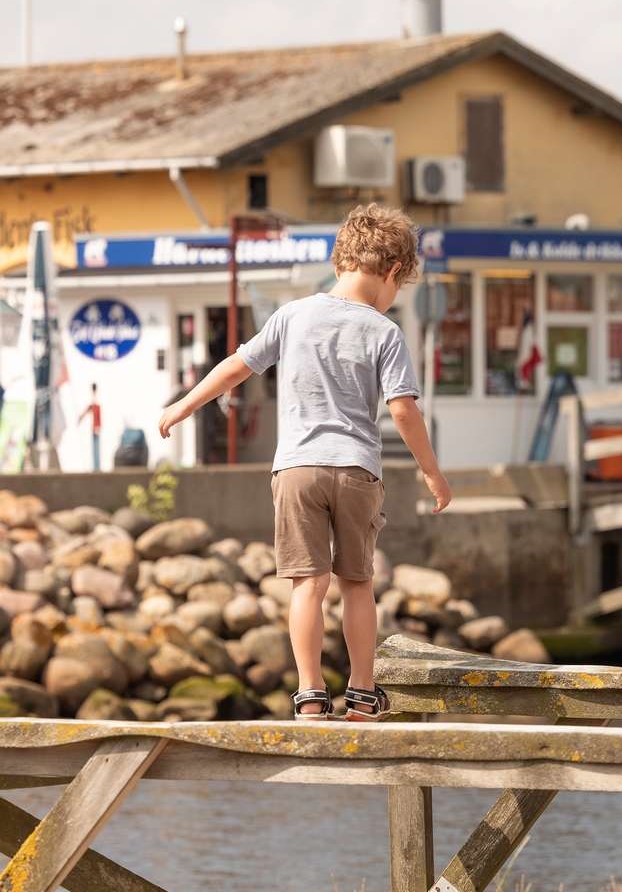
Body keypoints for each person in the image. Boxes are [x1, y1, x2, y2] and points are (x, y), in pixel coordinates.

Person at [159, 203, 452, 720]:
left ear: (341, 263)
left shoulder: (292, 315)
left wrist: (184, 405)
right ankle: (362, 694)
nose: (392, 299)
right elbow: (402, 409)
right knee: (357, 584)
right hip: (357, 469)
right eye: (397, 288)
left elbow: (235, 369)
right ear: (391, 274)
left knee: (307, 585)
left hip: (296, 470)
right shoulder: (385, 332)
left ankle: (311, 695)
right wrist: (431, 472)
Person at [78, 383, 103, 471]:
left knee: (96, 447)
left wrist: (97, 426)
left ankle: (97, 467)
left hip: (96, 428)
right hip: (94, 428)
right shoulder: (93, 400)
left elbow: (95, 412)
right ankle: (96, 467)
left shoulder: (95, 400)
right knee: (94, 447)